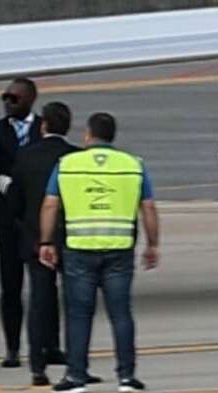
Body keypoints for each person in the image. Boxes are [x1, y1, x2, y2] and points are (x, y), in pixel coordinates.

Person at [38, 113, 158, 393]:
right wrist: (153, 244)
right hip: (119, 250)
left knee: (79, 315)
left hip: (79, 249)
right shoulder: (133, 165)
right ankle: (126, 377)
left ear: (88, 135)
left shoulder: (67, 164)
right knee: (121, 314)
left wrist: (46, 241)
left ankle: (76, 376)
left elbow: (50, 205)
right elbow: (149, 208)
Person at [8, 102, 76, 385]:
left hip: (37, 240)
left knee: (39, 301)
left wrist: (30, 233)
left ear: (43, 125)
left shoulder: (25, 156)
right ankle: (76, 364)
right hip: (71, 240)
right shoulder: (75, 157)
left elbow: (14, 202)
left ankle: (38, 367)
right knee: (75, 304)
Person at [0, 77, 43, 368]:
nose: (7, 103)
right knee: (11, 285)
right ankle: (12, 347)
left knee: (43, 284)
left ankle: (45, 344)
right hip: (7, 215)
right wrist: (17, 188)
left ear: (30, 99)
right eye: (4, 97)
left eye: (13, 98)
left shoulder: (42, 129)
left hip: (36, 217)